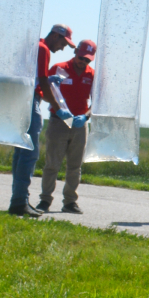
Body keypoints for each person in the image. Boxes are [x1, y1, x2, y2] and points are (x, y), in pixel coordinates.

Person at [10, 24, 73, 217]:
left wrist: (46, 84)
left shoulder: (34, 46)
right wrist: (58, 108)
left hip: (20, 99)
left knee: (20, 152)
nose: (63, 48)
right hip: (29, 102)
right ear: (55, 36)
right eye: (64, 43)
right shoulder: (43, 49)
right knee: (29, 153)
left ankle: (18, 199)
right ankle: (20, 201)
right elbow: (43, 82)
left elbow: (36, 79)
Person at [39, 40, 96, 214]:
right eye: (81, 58)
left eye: (87, 60)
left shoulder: (92, 75)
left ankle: (70, 201)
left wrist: (85, 116)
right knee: (52, 164)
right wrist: (58, 109)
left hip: (79, 124)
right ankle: (45, 200)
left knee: (75, 166)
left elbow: (98, 102)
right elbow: (42, 91)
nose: (83, 62)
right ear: (76, 52)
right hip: (59, 121)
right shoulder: (58, 68)